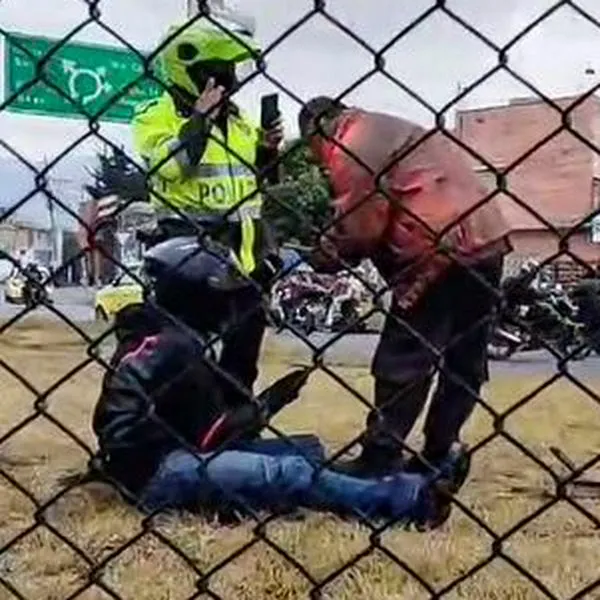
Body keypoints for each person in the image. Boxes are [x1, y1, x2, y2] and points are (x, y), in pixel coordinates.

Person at [90, 236, 467, 527]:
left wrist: (265, 403)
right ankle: (411, 502)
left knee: (308, 450)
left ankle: (395, 481)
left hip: (174, 455)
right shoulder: (171, 346)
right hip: (156, 474)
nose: (227, 302)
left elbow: (207, 427)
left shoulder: (175, 336)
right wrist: (265, 406)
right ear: (193, 294)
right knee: (289, 472)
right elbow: (201, 435)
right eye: (219, 292)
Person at [297, 97, 512, 478]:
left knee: (405, 355)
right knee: (464, 358)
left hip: (436, 247)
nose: (319, 163)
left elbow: (361, 223)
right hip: (487, 238)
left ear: (317, 130)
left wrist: (327, 253)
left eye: (314, 153)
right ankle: (439, 452)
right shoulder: (393, 125)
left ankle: (380, 455)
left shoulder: (349, 144)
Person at [131, 19, 283, 411]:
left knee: (241, 364)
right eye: (221, 71)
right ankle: (181, 433)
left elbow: (258, 185)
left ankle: (232, 432)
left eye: (233, 71)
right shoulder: (154, 116)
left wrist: (268, 150)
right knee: (184, 360)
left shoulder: (239, 121)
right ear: (193, 71)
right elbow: (174, 166)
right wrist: (198, 118)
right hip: (186, 262)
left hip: (243, 263)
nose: (230, 80)